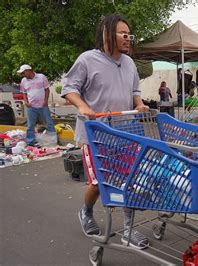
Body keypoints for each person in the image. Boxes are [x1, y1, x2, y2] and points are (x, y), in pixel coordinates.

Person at [61, 14, 149, 249]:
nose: (128, 38)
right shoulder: (87, 60)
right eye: (123, 33)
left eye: (130, 35)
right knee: (100, 183)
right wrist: (82, 106)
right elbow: (69, 88)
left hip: (125, 132)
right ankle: (86, 212)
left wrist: (139, 104)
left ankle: (128, 230)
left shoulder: (129, 63)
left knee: (129, 181)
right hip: (95, 134)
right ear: (106, 33)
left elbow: (135, 90)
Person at [17, 65, 56, 146]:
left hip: (43, 106)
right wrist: (25, 102)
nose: (23, 74)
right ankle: (30, 142)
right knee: (30, 125)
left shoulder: (41, 77)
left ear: (29, 70)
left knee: (49, 123)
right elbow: (24, 93)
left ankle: (53, 141)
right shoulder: (23, 80)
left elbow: (47, 90)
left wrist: (45, 101)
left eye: (23, 72)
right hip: (31, 107)